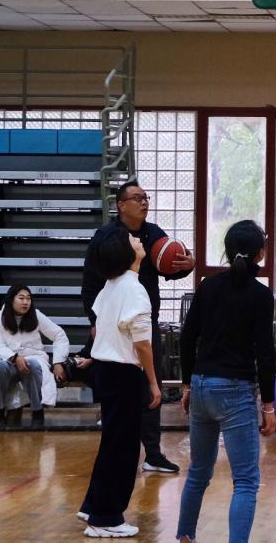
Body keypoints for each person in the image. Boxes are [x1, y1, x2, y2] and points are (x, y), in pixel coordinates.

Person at [81, 179, 194, 473]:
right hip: (113, 323)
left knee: (149, 386)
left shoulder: (153, 234)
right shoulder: (105, 236)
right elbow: (90, 283)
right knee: (120, 386)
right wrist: (95, 322)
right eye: (137, 198)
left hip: (144, 321)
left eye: (146, 197)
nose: (144, 202)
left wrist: (188, 265)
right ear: (121, 205)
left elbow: (170, 267)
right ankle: (115, 450)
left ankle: (152, 454)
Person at [176, 221, 276, 543]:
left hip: (201, 385)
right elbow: (265, 353)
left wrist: (187, 384)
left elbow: (187, 337)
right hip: (235, 390)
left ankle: (185, 537)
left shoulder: (208, 286)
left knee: (198, 473)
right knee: (245, 481)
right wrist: (269, 405)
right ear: (260, 252)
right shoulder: (260, 295)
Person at [78, 227, 161, 538]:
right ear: (127, 253)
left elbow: (100, 329)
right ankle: (106, 517)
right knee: (124, 449)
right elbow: (143, 345)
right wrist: (153, 382)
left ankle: (93, 505)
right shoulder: (134, 290)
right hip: (123, 374)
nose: (138, 240)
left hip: (106, 371)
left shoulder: (110, 286)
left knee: (111, 443)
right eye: (132, 240)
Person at [0, 285, 71, 429]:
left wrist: (58, 362)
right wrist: (15, 358)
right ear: (11, 300)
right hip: (7, 361)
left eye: (28, 299)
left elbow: (59, 335)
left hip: (33, 358)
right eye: (21, 298)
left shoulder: (36, 315)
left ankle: (37, 413)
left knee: (33, 364)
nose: (25, 302)